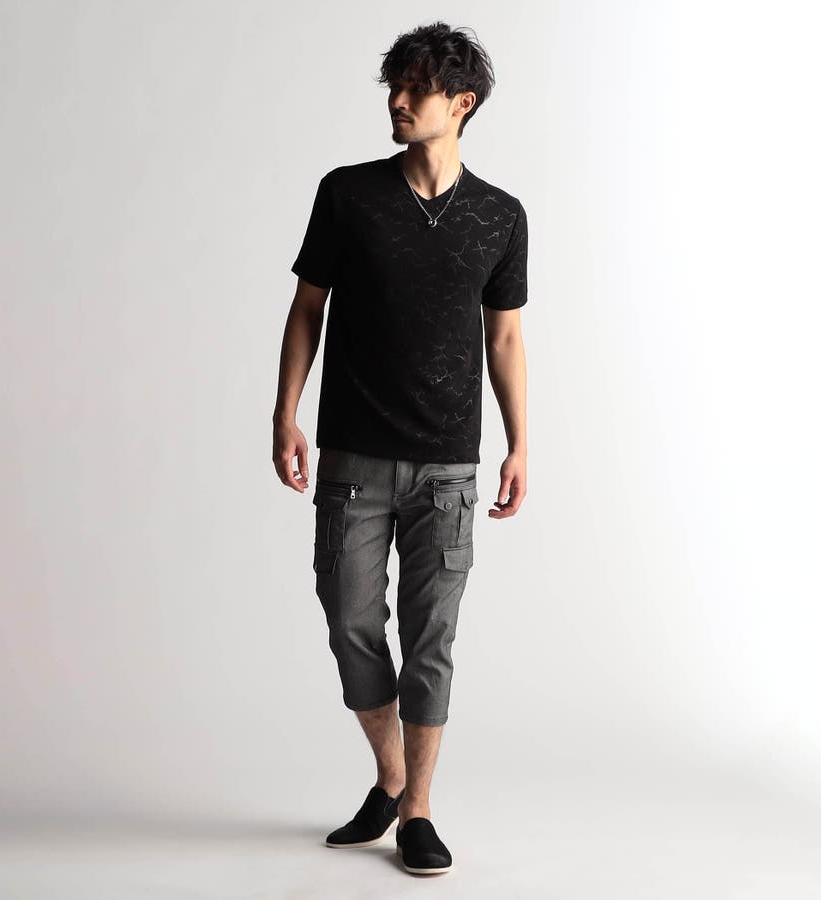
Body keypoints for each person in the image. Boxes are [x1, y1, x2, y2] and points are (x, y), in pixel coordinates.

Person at [272, 21, 528, 876]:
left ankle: (416, 808)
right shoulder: (348, 194)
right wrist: (285, 413)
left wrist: (521, 444)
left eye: (416, 88)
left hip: (450, 465)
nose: (398, 100)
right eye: (394, 85)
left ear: (462, 103)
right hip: (353, 457)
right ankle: (390, 774)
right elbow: (307, 309)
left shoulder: (499, 215)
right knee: (350, 622)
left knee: (431, 639)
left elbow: (504, 339)